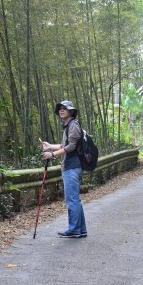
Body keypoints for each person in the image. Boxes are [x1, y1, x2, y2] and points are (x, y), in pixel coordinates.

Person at [41, 100, 87, 238]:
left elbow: (71, 147)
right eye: (60, 108)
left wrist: (52, 154)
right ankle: (81, 229)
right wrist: (49, 146)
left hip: (72, 167)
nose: (61, 110)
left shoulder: (73, 125)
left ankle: (74, 230)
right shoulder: (68, 126)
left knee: (72, 200)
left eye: (65, 108)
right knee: (75, 200)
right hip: (72, 167)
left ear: (71, 111)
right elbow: (63, 146)